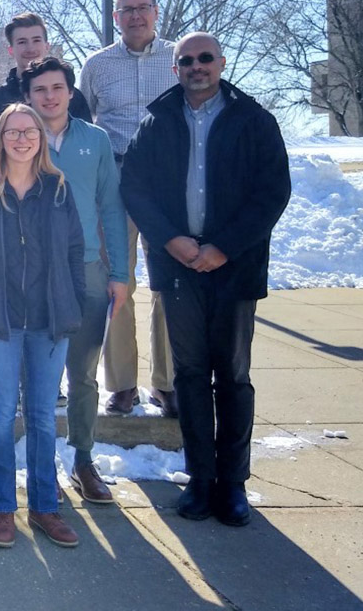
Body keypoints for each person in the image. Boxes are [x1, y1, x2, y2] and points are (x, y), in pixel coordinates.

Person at [120, 32, 290, 527]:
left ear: (220, 62)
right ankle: (200, 478)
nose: (197, 66)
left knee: (233, 377)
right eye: (187, 60)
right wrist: (171, 240)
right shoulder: (156, 121)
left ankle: (233, 484)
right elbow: (136, 186)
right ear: (175, 69)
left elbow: (272, 192)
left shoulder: (253, 120)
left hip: (233, 267)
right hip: (178, 267)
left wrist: (223, 247)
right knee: (190, 375)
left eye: (205, 58)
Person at [0, 103, 85, 550]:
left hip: (49, 320)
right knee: (1, 414)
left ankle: (46, 506)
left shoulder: (58, 189)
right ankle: (1, 508)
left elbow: (74, 252)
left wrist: (72, 304)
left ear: (41, 138)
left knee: (44, 416)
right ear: (1, 138)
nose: (22, 138)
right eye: (13, 131)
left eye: (30, 131)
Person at [22, 57, 128, 504]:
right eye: (40, 89)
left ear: (70, 91)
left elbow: (110, 208)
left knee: (82, 374)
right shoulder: (19, 138)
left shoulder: (95, 141)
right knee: (38, 376)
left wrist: (120, 273)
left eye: (57, 87)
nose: (49, 96)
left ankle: (83, 459)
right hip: (33, 273)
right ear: (28, 96)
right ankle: (42, 465)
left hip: (86, 270)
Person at [80, 0, 179, 416]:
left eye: (143, 8)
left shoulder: (180, 57)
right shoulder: (97, 65)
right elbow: (83, 122)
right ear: (116, 17)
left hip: (166, 184)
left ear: (156, 13)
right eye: (127, 10)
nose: (136, 16)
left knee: (168, 283)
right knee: (117, 282)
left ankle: (168, 383)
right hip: (116, 181)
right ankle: (121, 385)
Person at [0, 13, 92, 127]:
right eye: (22, 42)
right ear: (11, 50)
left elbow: (86, 139)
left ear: (47, 46)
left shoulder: (72, 97)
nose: (30, 49)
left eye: (36, 40)